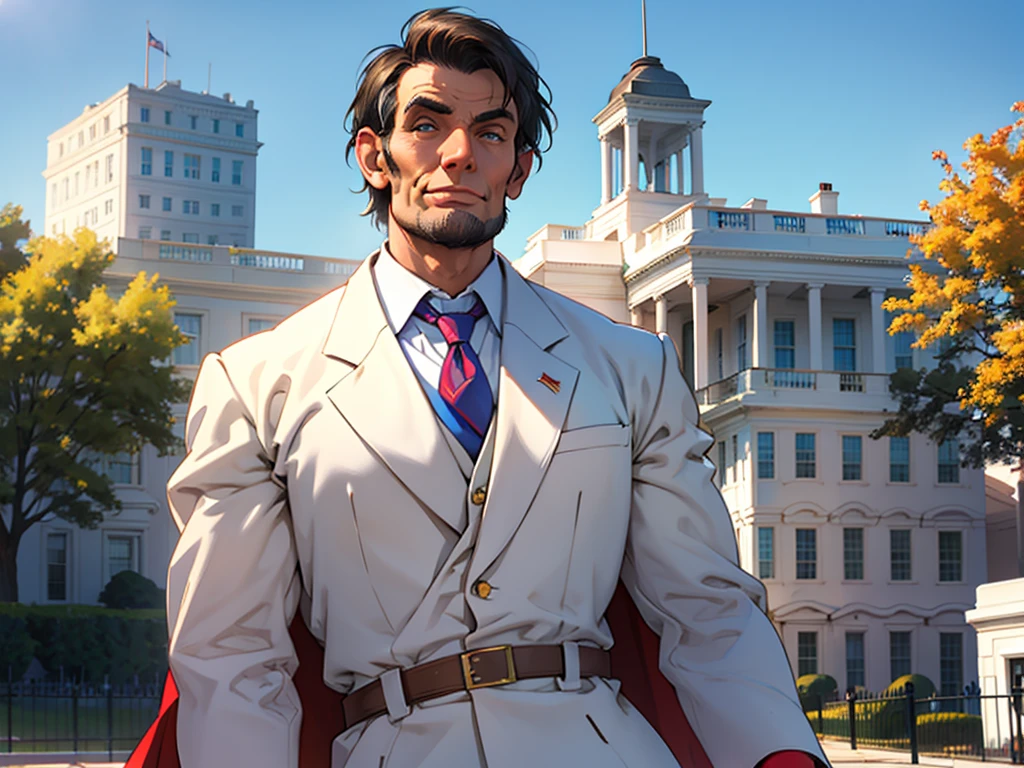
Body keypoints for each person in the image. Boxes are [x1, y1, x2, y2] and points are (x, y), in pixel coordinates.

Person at [128, 9, 828, 768]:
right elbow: (230, 652)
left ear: (518, 170)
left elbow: (707, 607)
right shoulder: (258, 382)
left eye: (491, 133)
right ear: (374, 154)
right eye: (428, 125)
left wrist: (780, 756)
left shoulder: (633, 367)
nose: (459, 154)